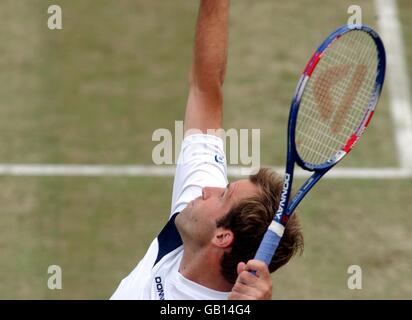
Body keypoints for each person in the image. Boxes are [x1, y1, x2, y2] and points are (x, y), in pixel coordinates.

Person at [111, 0, 303, 300]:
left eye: (223, 195)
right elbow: (205, 89)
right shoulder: (190, 228)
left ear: (222, 236)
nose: (207, 189)